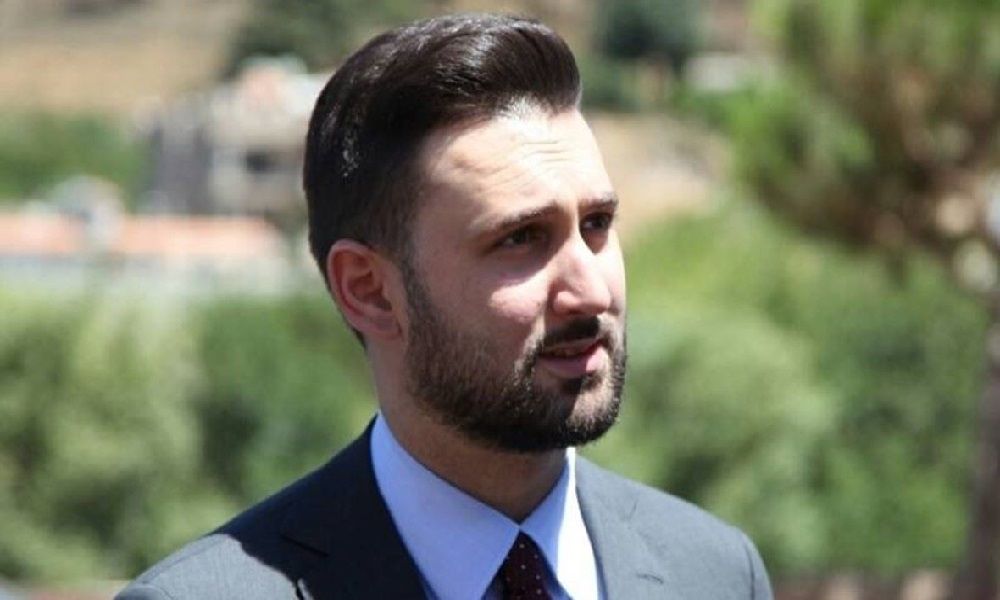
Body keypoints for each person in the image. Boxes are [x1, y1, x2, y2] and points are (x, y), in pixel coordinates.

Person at [118, 13, 773, 600]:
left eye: (597, 224)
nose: (592, 291)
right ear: (369, 290)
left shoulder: (715, 574)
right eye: (520, 238)